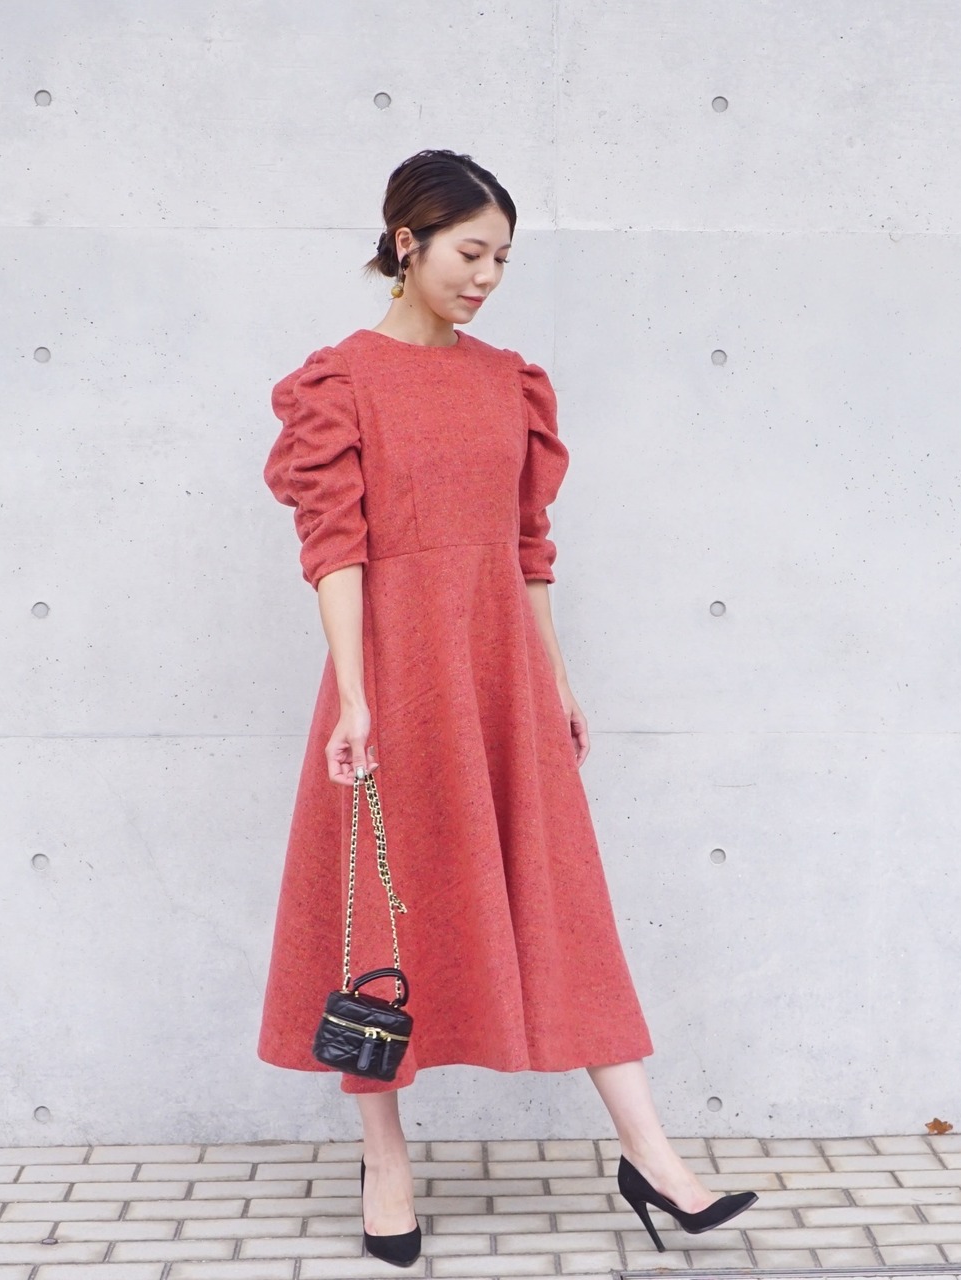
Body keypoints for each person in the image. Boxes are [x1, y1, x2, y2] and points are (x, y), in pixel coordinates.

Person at [257, 149, 758, 1267]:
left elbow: (528, 549)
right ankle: (385, 1161)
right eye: (469, 253)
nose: (486, 278)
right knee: (381, 922)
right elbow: (334, 550)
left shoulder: (508, 383)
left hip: (500, 677)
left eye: (501, 260)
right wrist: (354, 695)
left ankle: (653, 1156)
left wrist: (556, 678)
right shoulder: (339, 383)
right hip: (391, 679)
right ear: (407, 243)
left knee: (562, 901)